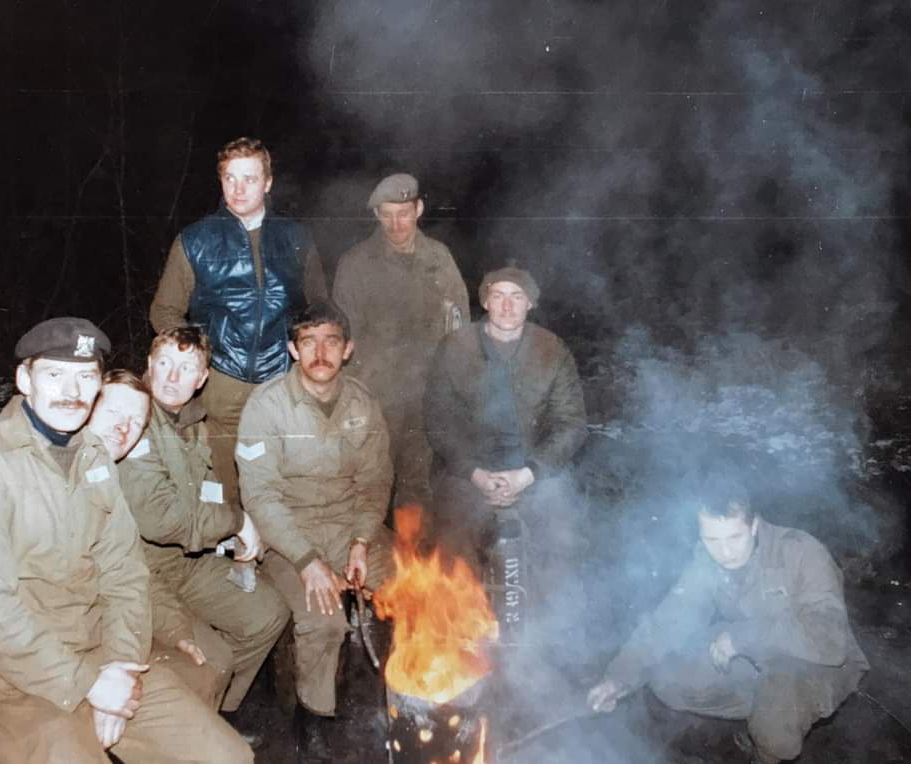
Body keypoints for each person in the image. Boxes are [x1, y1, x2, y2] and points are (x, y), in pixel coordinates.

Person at [0, 317, 252, 763]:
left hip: (102, 652)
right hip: (16, 675)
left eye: (85, 376)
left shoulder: (93, 456)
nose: (71, 391)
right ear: (24, 379)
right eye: (54, 374)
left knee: (228, 758)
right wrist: (89, 685)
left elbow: (126, 571)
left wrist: (119, 668)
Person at [0, 370, 234, 721]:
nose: (123, 429)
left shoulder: (107, 469)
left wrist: (174, 629)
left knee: (203, 667)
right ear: (85, 408)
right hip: (18, 650)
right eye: (111, 413)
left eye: (136, 422)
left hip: (86, 630)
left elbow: (128, 570)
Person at [587, 481, 869, 764]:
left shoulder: (802, 553)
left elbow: (830, 642)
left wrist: (742, 637)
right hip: (756, 656)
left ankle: (768, 743)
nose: (725, 553)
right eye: (712, 540)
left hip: (817, 662)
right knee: (666, 678)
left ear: (755, 525)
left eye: (735, 538)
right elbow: (668, 620)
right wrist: (618, 678)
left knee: (775, 733)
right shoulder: (707, 563)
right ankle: (764, 710)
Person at [237, 301, 394, 762]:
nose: (319, 352)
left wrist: (363, 540)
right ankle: (313, 723)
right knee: (323, 619)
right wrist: (307, 562)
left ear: (348, 350)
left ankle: (405, 697)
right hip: (289, 534)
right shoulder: (265, 406)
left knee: (417, 587)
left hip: (351, 526)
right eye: (308, 341)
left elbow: (375, 481)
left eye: (330, 341)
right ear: (292, 349)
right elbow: (260, 497)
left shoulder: (363, 403)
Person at [118, 325, 290, 726]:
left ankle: (219, 713)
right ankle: (186, 724)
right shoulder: (132, 419)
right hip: (143, 571)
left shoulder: (193, 421)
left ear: (203, 379)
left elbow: (208, 492)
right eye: (165, 364)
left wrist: (233, 542)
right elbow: (160, 517)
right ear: (149, 366)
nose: (173, 377)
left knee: (268, 612)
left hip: (189, 560)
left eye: (187, 367)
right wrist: (236, 521)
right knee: (215, 659)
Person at [150, 136, 328, 505]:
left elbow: (319, 309)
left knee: (283, 475)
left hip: (282, 378)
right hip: (221, 383)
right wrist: (201, 355)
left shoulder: (296, 238)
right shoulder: (195, 240)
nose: (239, 188)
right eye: (230, 178)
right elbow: (164, 312)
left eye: (249, 178)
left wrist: (309, 360)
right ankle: (231, 554)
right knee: (222, 481)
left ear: (267, 182)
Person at [423, 266, 587, 634]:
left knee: (563, 536)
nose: (507, 306)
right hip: (470, 473)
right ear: (485, 302)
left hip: (533, 473)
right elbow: (439, 422)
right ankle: (468, 631)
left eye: (517, 297)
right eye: (498, 296)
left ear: (530, 303)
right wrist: (475, 473)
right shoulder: (455, 348)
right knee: (451, 542)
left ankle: (545, 636)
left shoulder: (551, 350)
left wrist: (529, 473)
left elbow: (572, 424)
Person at [332, 173, 469, 507]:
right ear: (377, 215)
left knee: (417, 489)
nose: (396, 224)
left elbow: (460, 328)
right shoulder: (356, 264)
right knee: (367, 488)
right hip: (375, 398)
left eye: (403, 213)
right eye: (387, 214)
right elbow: (340, 338)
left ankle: (411, 556)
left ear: (419, 208)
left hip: (427, 398)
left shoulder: (439, 258)